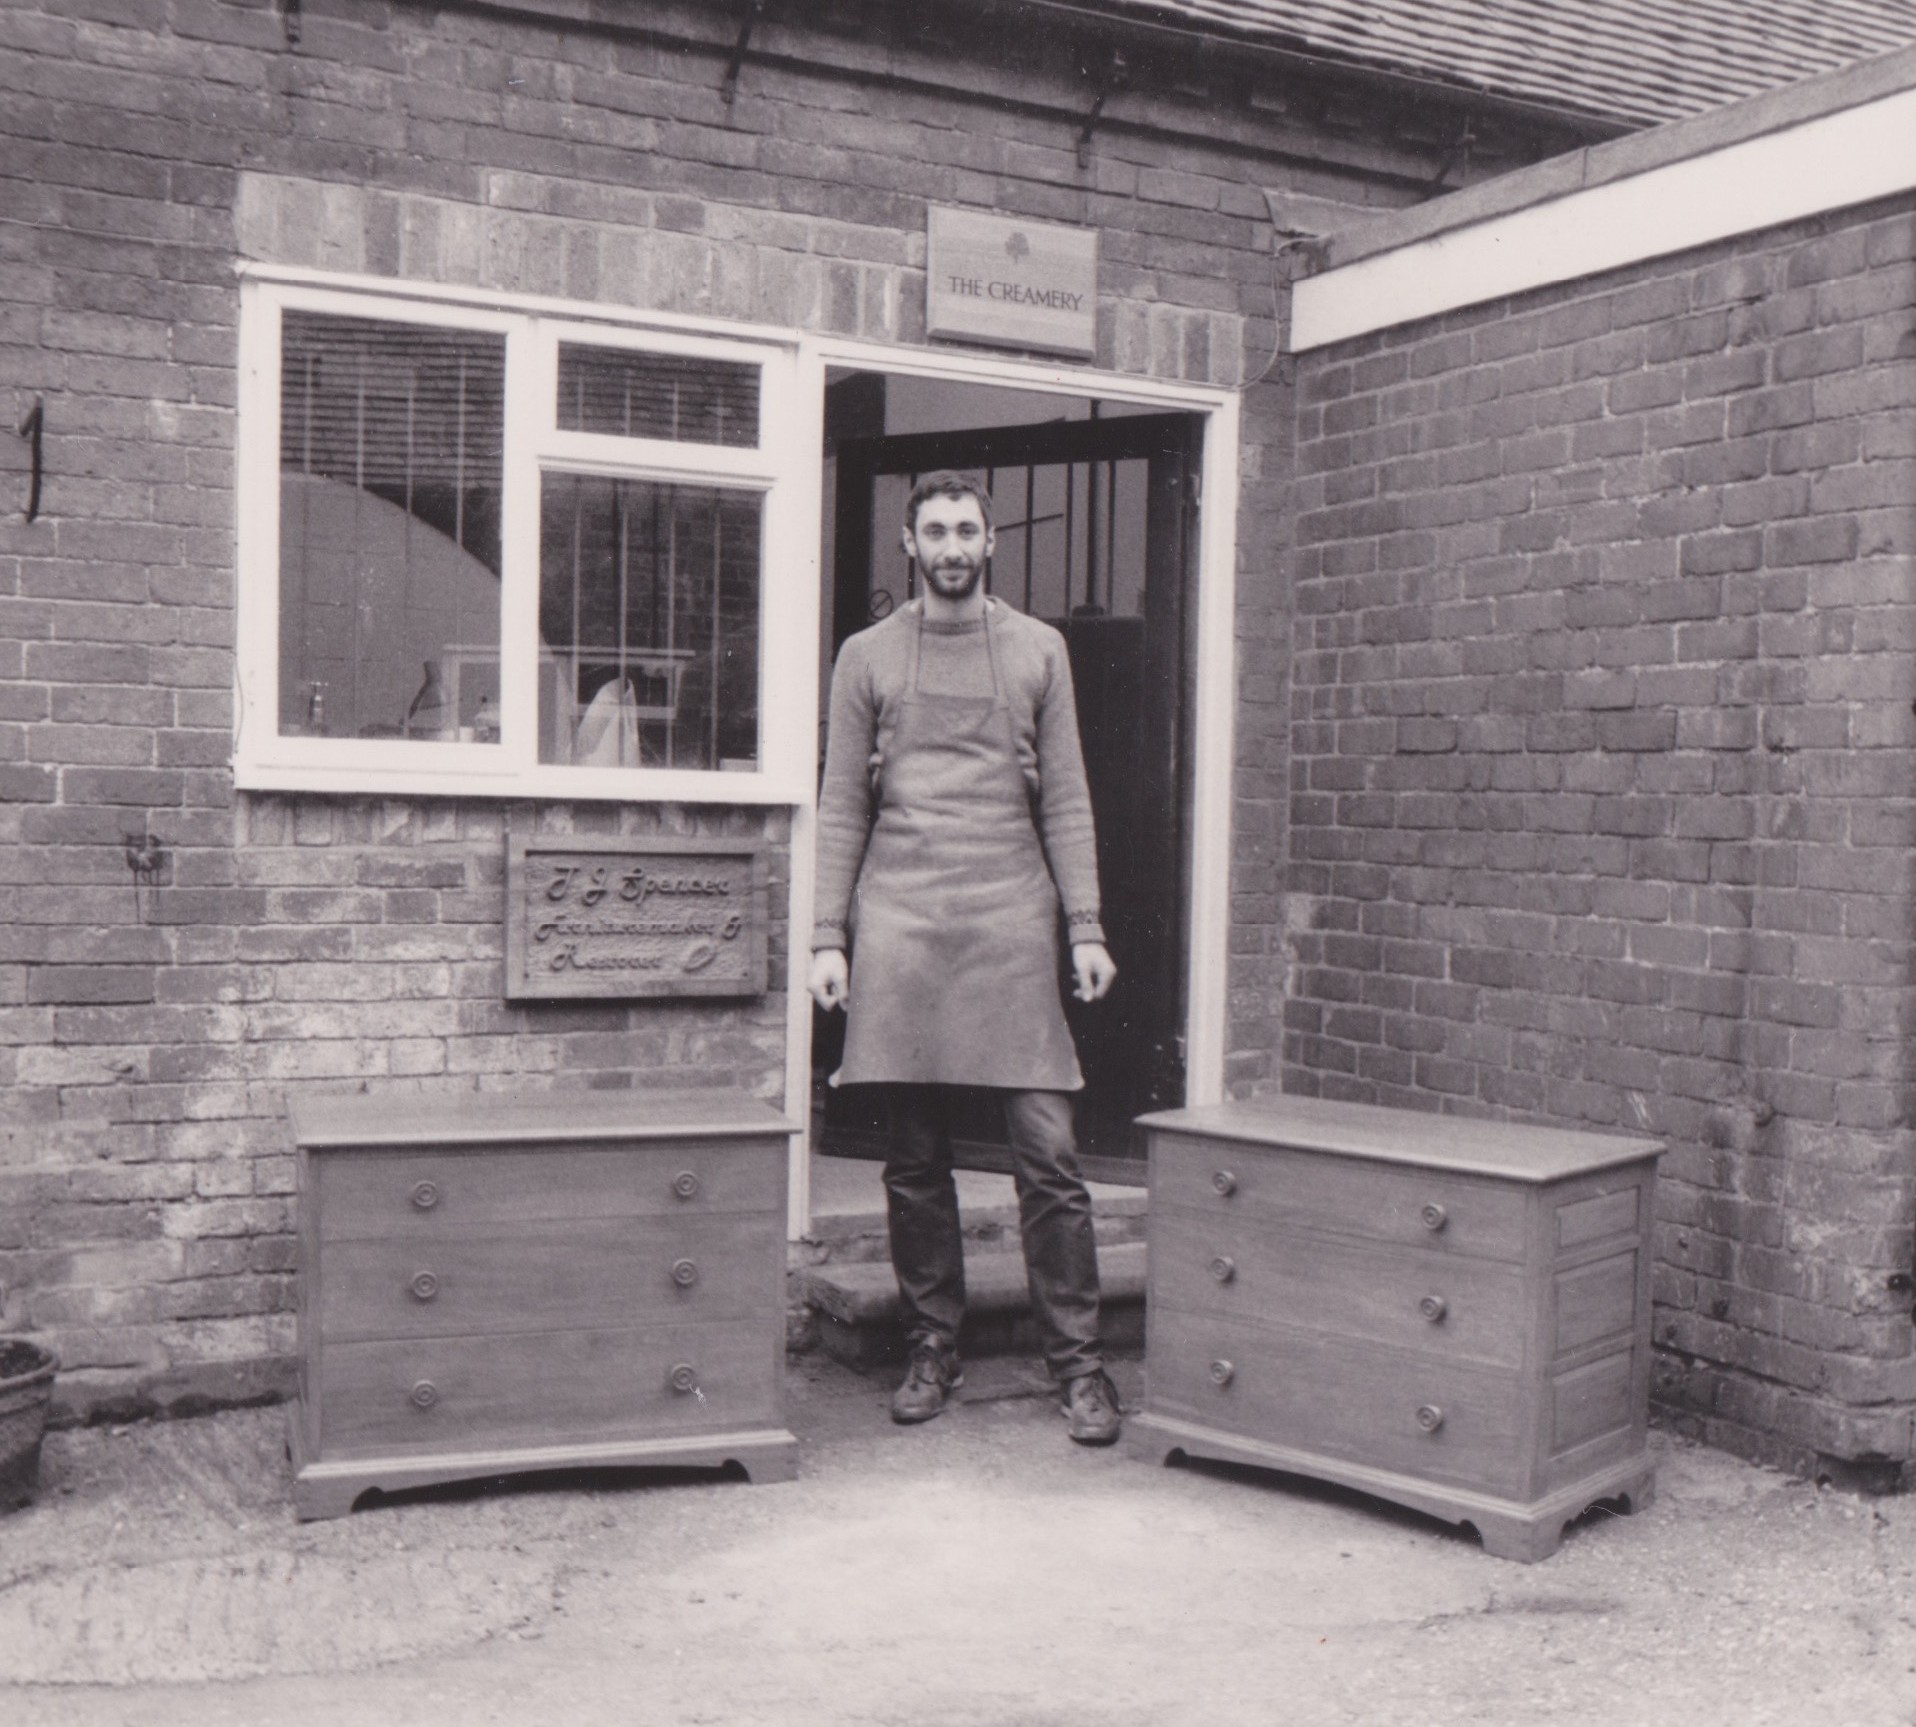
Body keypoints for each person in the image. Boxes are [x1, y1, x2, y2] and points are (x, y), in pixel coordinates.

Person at [808, 470, 1123, 1445]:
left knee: (1049, 1154)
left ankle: (1079, 1363)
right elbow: (841, 802)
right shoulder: (865, 654)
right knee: (913, 1159)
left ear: (991, 541)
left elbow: (1066, 794)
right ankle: (931, 1343)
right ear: (909, 543)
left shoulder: (1039, 649)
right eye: (935, 531)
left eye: (966, 530)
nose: (951, 546)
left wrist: (1084, 924)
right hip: (902, 918)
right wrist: (827, 936)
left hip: (1009, 915)